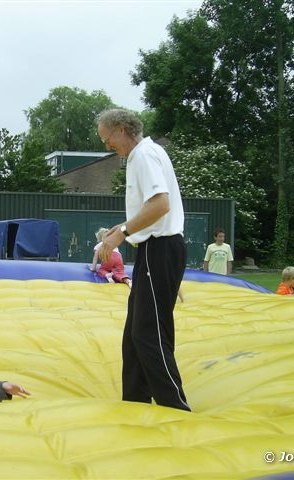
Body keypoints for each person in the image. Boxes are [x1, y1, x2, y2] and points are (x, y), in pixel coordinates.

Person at [96, 108, 190, 412]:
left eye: (107, 139)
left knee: (148, 332)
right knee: (136, 332)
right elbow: (152, 208)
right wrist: (122, 227)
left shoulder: (142, 155)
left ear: (122, 129)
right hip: (156, 250)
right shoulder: (151, 152)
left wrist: (122, 233)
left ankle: (174, 406)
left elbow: (160, 205)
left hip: (159, 248)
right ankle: (135, 401)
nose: (108, 146)